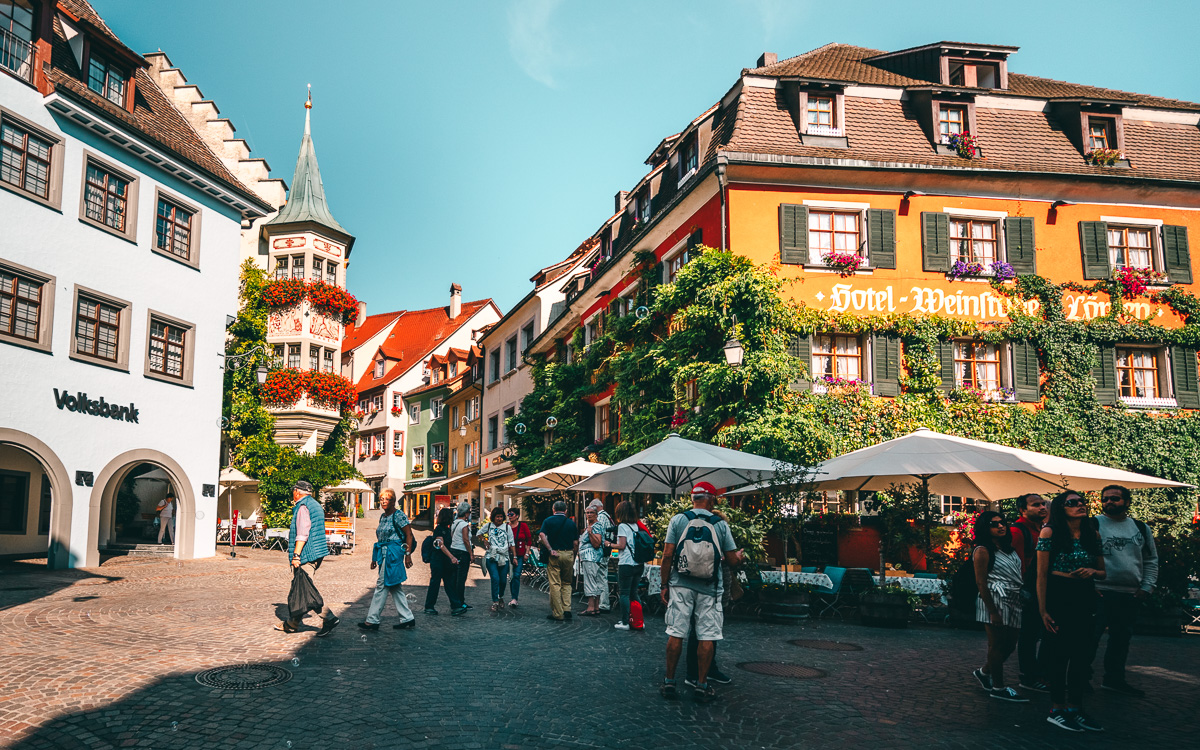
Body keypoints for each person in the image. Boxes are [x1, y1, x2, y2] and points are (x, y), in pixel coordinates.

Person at [660, 482, 743, 703]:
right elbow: (732, 560)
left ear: (693, 499)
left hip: (680, 584)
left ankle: (669, 682)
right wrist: (740, 557)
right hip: (710, 588)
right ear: (711, 499)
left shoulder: (678, 520)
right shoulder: (720, 525)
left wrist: (664, 584)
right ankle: (702, 684)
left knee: (676, 632)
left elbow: (667, 555)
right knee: (706, 635)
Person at [1037, 491, 1106, 732]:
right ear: (1061, 508)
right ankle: (1057, 708)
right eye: (1072, 503)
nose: (1080, 506)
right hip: (1059, 595)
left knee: (1081, 655)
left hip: (1084, 596)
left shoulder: (1092, 533)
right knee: (1059, 654)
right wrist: (1043, 609)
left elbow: (1103, 571)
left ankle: (1076, 708)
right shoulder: (1050, 533)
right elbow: (1041, 574)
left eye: (1081, 502)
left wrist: (1091, 572)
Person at [1089, 484, 1159, 697]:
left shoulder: (1140, 527)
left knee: (1121, 640)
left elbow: (1151, 559)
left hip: (1130, 594)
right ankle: (1080, 678)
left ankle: (1114, 679)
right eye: (1105, 499)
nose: (1109, 502)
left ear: (1127, 502)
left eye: (1115, 499)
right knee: (1090, 638)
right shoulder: (1092, 524)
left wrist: (1147, 587)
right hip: (1099, 592)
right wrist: (1089, 586)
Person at [970, 510, 1028, 702]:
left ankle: (984, 672)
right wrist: (993, 611)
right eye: (994, 524)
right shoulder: (982, 551)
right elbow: (981, 582)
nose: (1001, 526)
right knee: (996, 644)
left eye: (1002, 522)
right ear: (985, 528)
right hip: (994, 598)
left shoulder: (1008, 548)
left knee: (1010, 644)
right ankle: (998, 687)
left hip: (1013, 598)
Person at [277, 480, 338, 636]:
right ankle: (292, 624)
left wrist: (296, 555)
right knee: (301, 587)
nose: (293, 493)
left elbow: (302, 533)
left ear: (297, 491)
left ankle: (329, 618)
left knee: (306, 591)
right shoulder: (315, 505)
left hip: (306, 554)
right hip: (316, 553)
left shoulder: (303, 507)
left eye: (293, 491)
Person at [359, 489, 416, 631]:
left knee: (382, 584)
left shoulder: (399, 515)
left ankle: (372, 620)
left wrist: (407, 554)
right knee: (395, 586)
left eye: (387, 499)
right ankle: (407, 618)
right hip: (384, 553)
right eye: (382, 498)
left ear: (394, 501)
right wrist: (374, 557)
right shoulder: (383, 517)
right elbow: (380, 538)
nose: (384, 501)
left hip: (394, 554)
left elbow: (408, 534)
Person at [1010, 493, 1050, 693]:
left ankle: (1038, 673)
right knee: (1029, 635)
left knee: (1038, 634)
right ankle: (1028, 676)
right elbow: (1017, 565)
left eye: (1043, 504)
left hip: (1041, 589)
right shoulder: (1018, 532)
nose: (1042, 507)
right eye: (1036, 505)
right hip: (1029, 591)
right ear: (1023, 510)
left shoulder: (1041, 530)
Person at [538, 500, 579, 622]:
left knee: (555, 584)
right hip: (568, 554)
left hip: (555, 554)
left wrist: (550, 549)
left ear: (553, 509)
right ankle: (567, 609)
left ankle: (558, 613)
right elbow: (576, 543)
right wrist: (573, 554)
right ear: (566, 510)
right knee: (567, 583)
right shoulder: (571, 523)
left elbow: (542, 534)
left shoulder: (548, 521)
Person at [425, 507, 466, 615]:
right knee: (435, 583)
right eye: (451, 515)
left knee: (449, 583)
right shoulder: (439, 529)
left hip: (445, 561)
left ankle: (456, 605)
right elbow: (440, 544)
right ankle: (429, 606)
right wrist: (452, 557)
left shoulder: (447, 529)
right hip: (438, 560)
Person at [479, 507, 517, 611]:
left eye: (501, 516)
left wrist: (514, 557)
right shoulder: (489, 526)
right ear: (493, 517)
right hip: (491, 557)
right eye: (497, 517)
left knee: (503, 580)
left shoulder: (507, 528)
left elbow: (512, 542)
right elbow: (479, 533)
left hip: (503, 557)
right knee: (495, 578)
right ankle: (495, 601)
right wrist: (484, 541)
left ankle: (500, 596)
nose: (499, 519)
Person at [612, 500, 642, 631]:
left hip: (626, 563)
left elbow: (621, 545)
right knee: (634, 593)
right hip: (638, 563)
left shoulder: (622, 526)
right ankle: (638, 620)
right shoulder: (636, 525)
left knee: (624, 593)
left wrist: (609, 544)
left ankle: (625, 622)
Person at [577, 505, 605, 616]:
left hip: (591, 557)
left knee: (590, 581)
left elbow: (597, 543)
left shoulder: (595, 526)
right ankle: (596, 607)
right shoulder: (592, 525)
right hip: (591, 557)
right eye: (587, 513)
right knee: (595, 581)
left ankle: (591, 607)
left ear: (596, 514)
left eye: (591, 513)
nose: (588, 515)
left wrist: (589, 533)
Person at [589, 498, 616, 612]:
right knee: (602, 576)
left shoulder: (600, 517)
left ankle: (603, 603)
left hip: (601, 551)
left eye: (591, 510)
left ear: (596, 507)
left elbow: (599, 534)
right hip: (605, 550)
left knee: (601, 576)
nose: (590, 513)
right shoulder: (607, 516)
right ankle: (602, 602)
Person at [450, 501, 474, 610]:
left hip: (453, 550)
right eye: (469, 512)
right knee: (461, 579)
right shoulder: (464, 525)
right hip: (462, 552)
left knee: (455, 578)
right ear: (466, 513)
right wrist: (471, 553)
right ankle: (460, 602)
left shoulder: (454, 523)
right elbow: (466, 540)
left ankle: (455, 601)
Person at [507, 507, 532, 607]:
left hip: (520, 555)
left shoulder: (523, 526)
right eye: (508, 514)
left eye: (511, 514)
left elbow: (529, 539)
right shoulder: (506, 526)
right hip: (508, 555)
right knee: (511, 577)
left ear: (517, 516)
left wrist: (527, 553)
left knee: (516, 575)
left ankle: (514, 598)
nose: (509, 516)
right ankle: (504, 598)